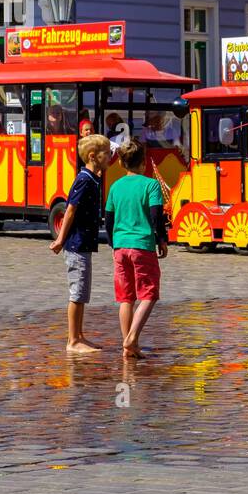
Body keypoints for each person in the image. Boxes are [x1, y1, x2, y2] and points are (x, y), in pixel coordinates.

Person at [104, 140, 168, 359]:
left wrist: (114, 244)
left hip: (120, 247)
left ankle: (128, 346)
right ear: (144, 162)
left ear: (121, 163)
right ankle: (132, 338)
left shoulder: (115, 186)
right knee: (149, 294)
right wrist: (161, 239)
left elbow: (108, 220)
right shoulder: (151, 185)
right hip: (142, 245)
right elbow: (156, 216)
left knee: (126, 298)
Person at [49, 134, 111, 353]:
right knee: (77, 292)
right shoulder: (84, 179)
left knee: (83, 292)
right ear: (93, 156)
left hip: (84, 243)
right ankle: (73, 340)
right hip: (76, 244)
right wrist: (60, 239)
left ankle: (79, 335)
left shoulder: (93, 177)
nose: (111, 155)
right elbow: (70, 210)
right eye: (107, 153)